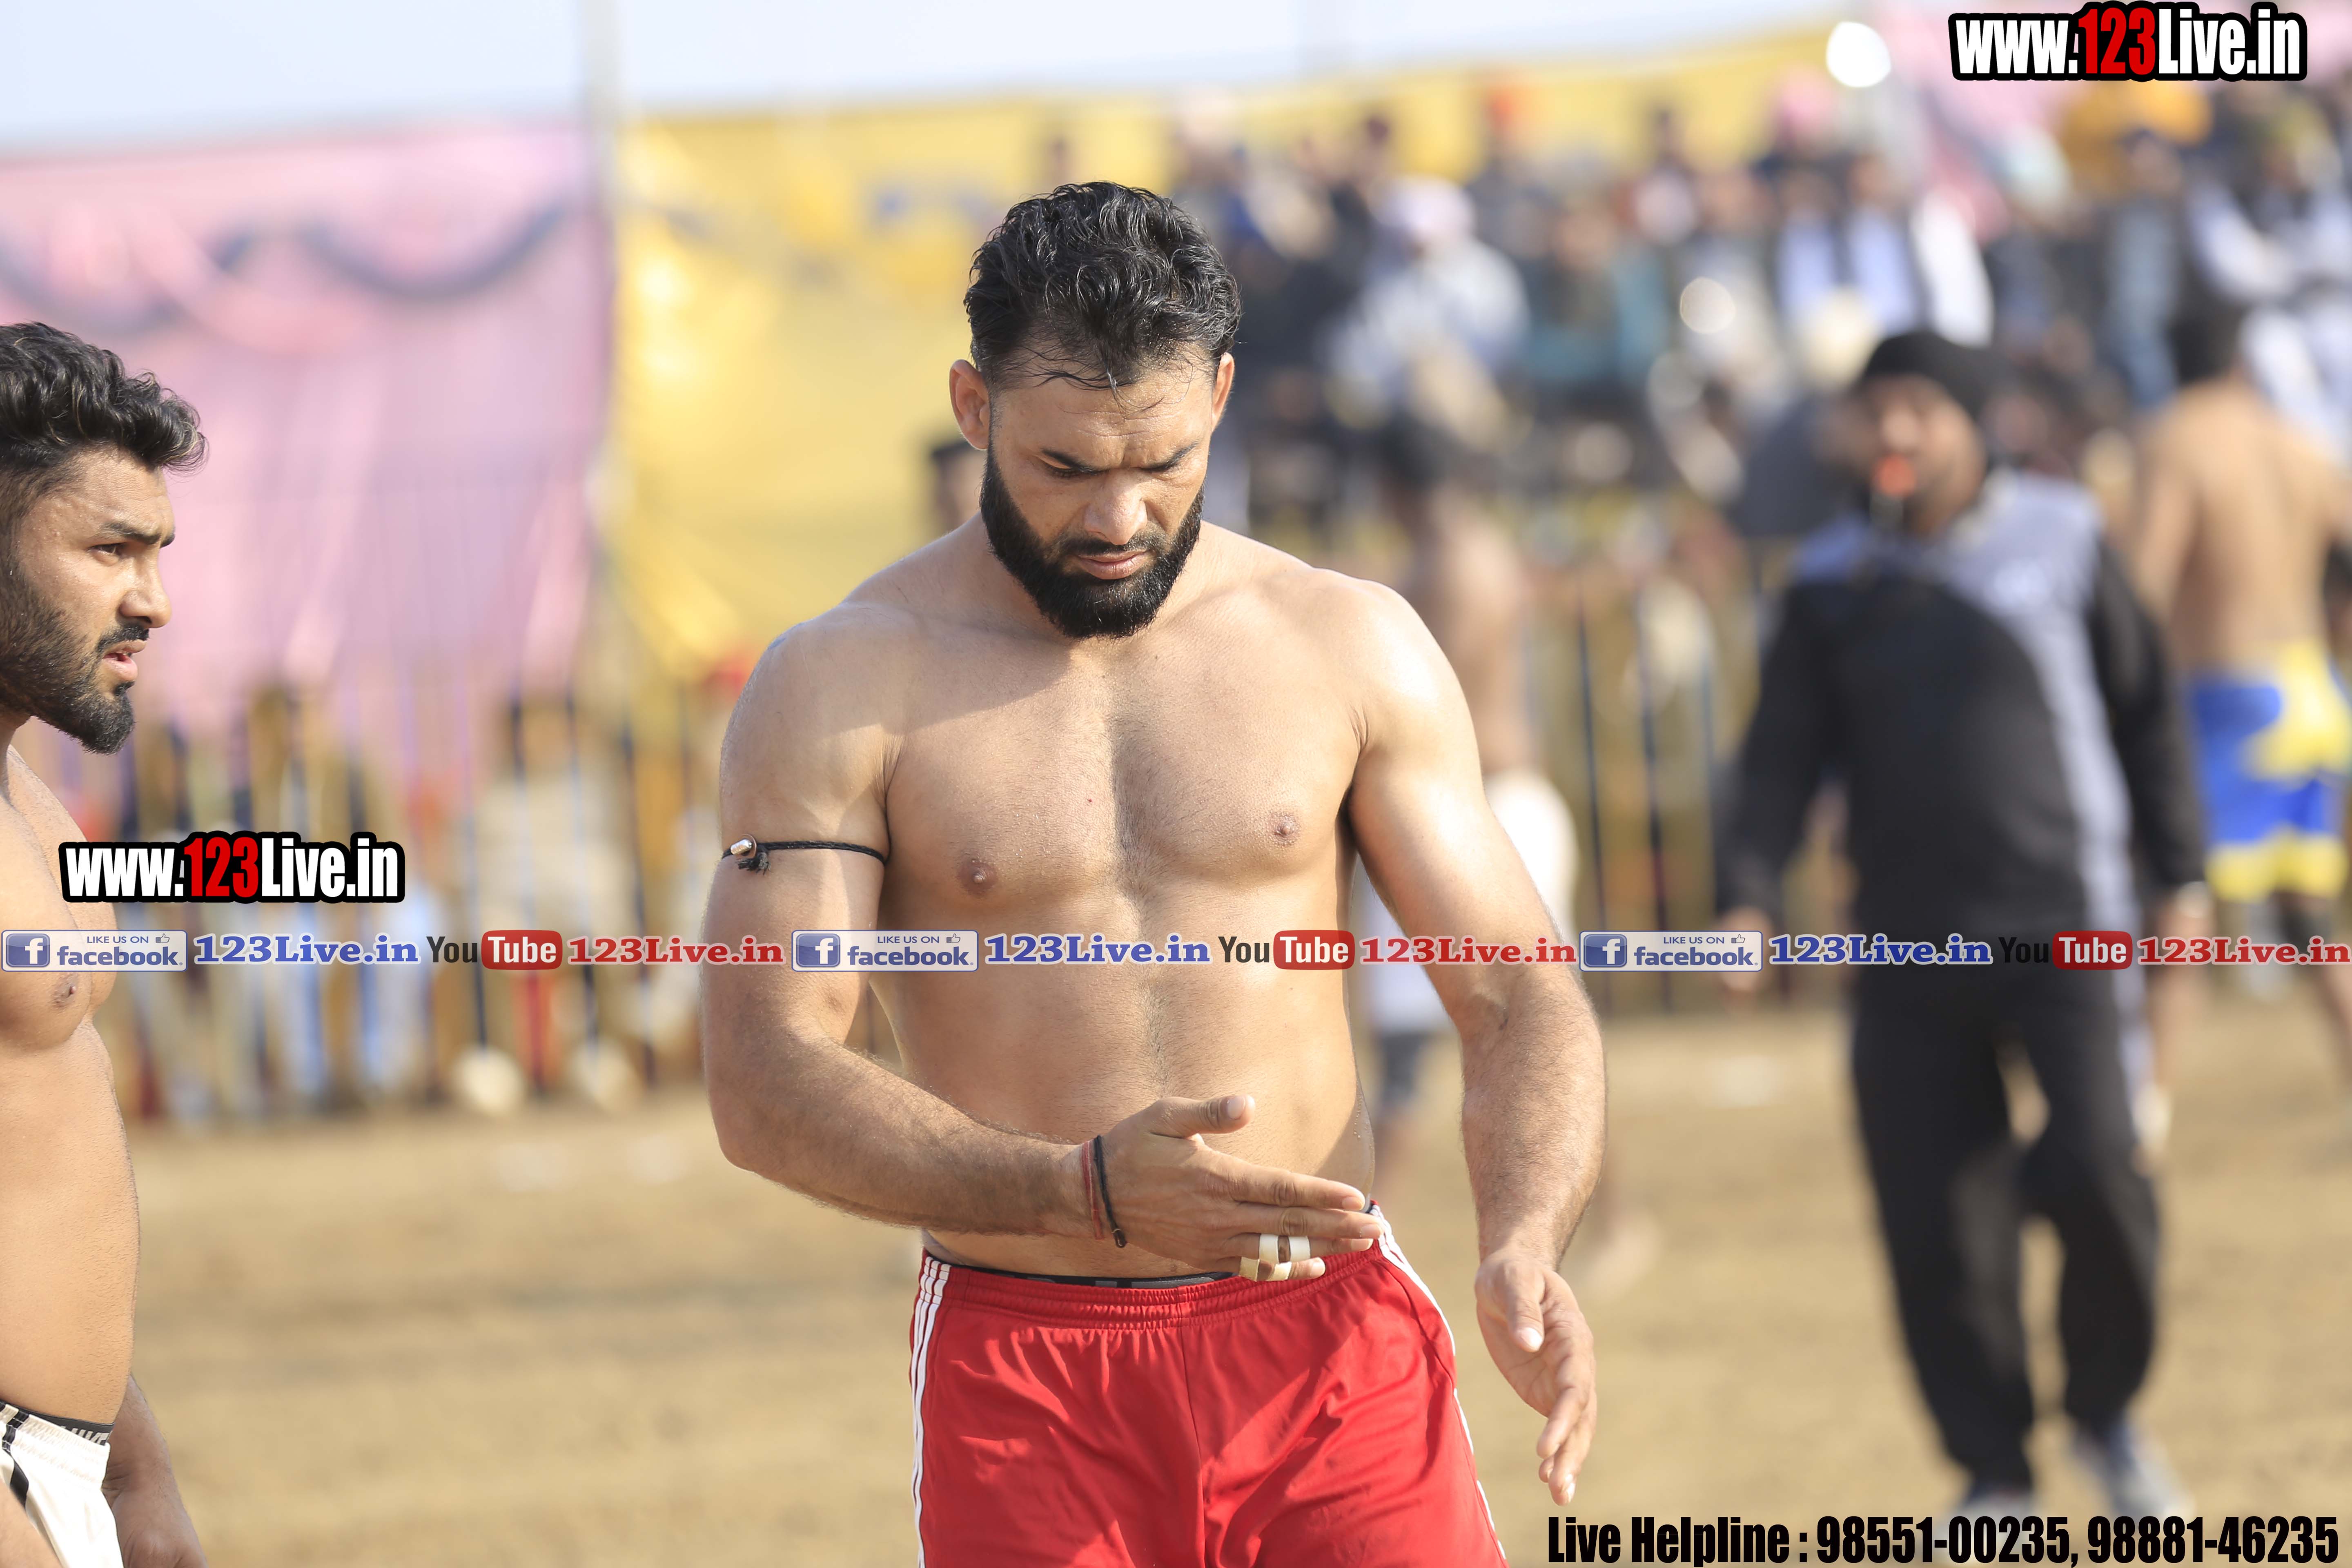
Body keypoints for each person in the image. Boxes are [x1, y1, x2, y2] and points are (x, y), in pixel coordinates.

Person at [702, 183, 1604, 1566]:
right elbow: (764, 1072)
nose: (1120, 514)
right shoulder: (840, 683)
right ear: (974, 407)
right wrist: (1078, 1192)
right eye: (1066, 466)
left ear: (1223, 396)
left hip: (1329, 1340)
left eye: (1166, 460)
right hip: (1034, 1375)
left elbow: (1519, 992)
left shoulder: (1345, 641)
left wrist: (1526, 1235)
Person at [1716, 331, 2204, 1518]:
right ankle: (1995, 1477)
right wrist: (1752, 892)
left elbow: (2146, 713)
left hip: (2068, 925)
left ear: (1975, 424)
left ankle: (2106, 1417)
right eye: (1875, 408)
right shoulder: (1829, 581)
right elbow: (1779, 760)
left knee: (2103, 1170)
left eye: (1921, 407)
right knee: (1934, 1217)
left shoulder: (2065, 535)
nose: (1895, 431)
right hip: (1903, 944)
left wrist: (2180, 873)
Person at [0, 322, 210, 1567]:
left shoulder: (29, 791)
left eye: (157, 552)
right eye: (108, 551)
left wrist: (133, 1473)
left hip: (60, 1473)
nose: (154, 601)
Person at [2118, 305, 2352, 1122]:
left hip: (2229, 698)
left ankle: (2144, 1110)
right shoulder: (2300, 442)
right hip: (2315, 691)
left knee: (2177, 899)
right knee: (2310, 916)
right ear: (2242, 364)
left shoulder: (2176, 440)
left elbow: (2145, 586)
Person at [1354, 419, 1576, 1176]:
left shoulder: (1452, 564)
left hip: (1472, 813)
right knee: (1543, 1031)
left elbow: (1420, 705)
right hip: (1487, 808)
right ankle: (1613, 1219)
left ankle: (1367, 1225)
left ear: (1390, 487)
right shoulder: (1470, 551)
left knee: (1461, 1043)